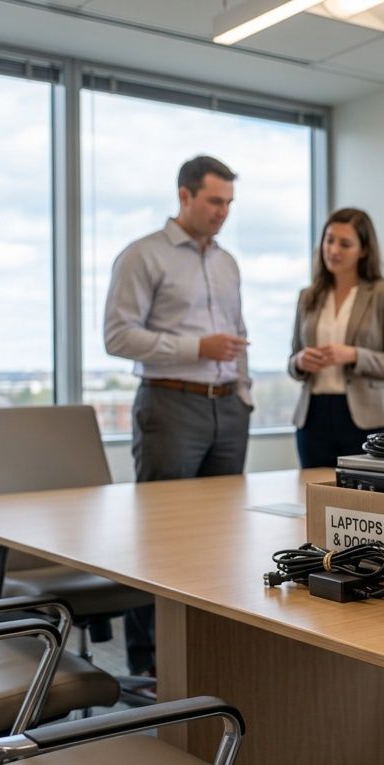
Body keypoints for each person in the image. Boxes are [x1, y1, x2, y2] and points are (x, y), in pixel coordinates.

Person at [103, 155, 252, 676]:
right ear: (185, 196)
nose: (223, 212)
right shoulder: (143, 256)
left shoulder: (228, 261)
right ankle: (148, 667)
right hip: (170, 405)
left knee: (220, 540)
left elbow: (237, 334)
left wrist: (245, 394)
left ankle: (210, 652)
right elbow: (117, 336)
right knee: (161, 541)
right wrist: (196, 346)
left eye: (229, 203)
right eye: (215, 201)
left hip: (228, 409)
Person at [289, 208, 384, 468]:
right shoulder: (308, 296)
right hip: (313, 415)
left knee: (367, 500)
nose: (333, 250)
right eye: (329, 240)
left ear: (364, 250)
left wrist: (354, 355)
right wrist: (300, 361)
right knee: (314, 494)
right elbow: (292, 358)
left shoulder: (383, 294)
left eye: (345, 244)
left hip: (366, 417)